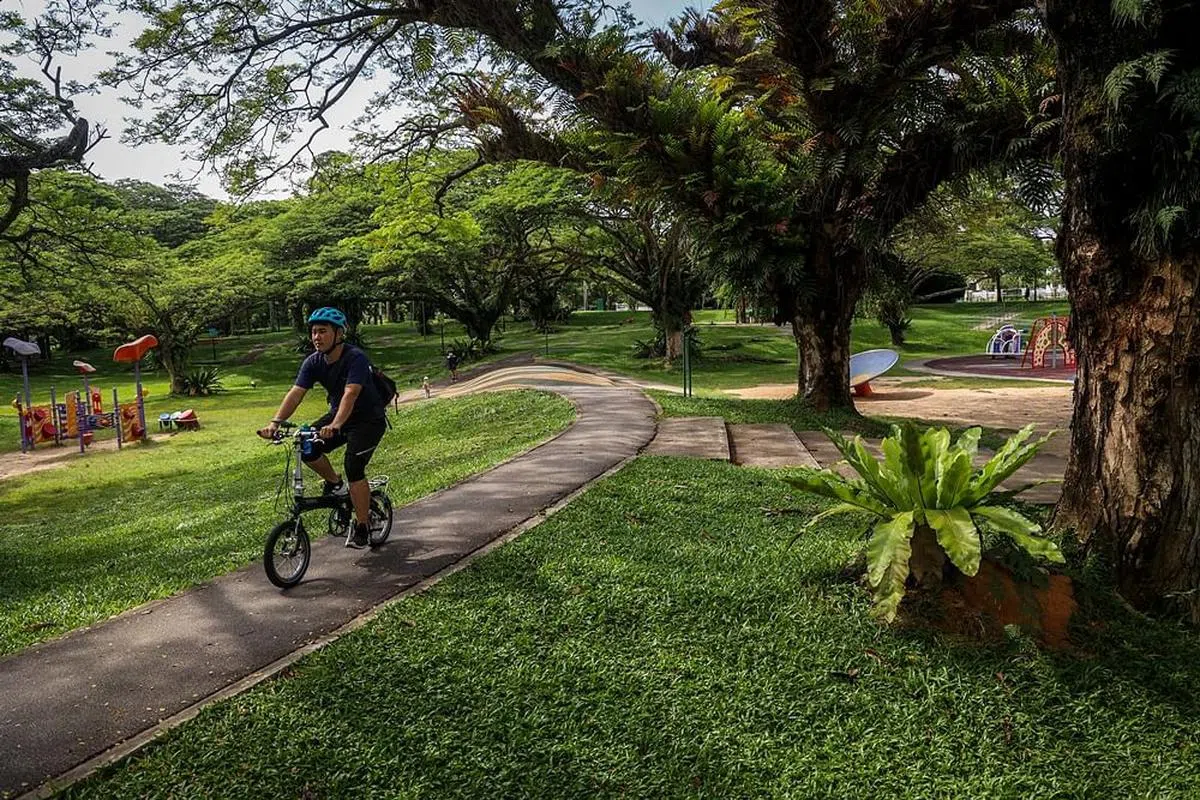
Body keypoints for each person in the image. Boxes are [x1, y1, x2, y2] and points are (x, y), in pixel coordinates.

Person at [263, 307, 387, 548]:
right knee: (305, 444)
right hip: (337, 417)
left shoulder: (355, 358)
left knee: (354, 466)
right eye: (313, 332)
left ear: (338, 333)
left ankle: (362, 525)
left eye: (322, 331)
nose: (316, 337)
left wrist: (336, 425)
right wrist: (274, 423)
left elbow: (350, 395)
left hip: (367, 421)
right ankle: (336, 485)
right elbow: (296, 394)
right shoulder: (314, 362)